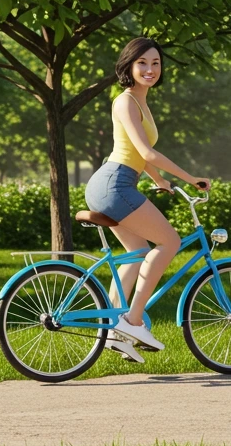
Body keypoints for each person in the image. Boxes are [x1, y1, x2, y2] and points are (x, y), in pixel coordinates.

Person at [83, 37, 210, 360]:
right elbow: (145, 152)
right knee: (169, 242)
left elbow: (138, 154)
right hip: (115, 182)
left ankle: (114, 330)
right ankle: (133, 321)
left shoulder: (140, 101)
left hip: (116, 180)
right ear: (128, 65)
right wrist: (190, 177)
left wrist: (159, 179)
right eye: (142, 63)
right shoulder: (126, 100)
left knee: (137, 253)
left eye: (155, 63)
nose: (150, 69)